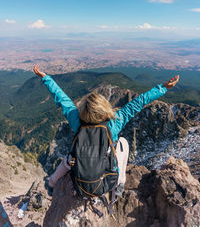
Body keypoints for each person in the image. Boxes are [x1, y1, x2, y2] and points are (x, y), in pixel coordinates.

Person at [33, 65, 179, 196]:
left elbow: (61, 98)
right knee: (122, 143)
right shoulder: (114, 122)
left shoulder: (76, 121)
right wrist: (163, 87)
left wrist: (46, 78)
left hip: (80, 185)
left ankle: (51, 183)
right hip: (105, 183)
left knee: (69, 158)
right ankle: (120, 182)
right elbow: (139, 102)